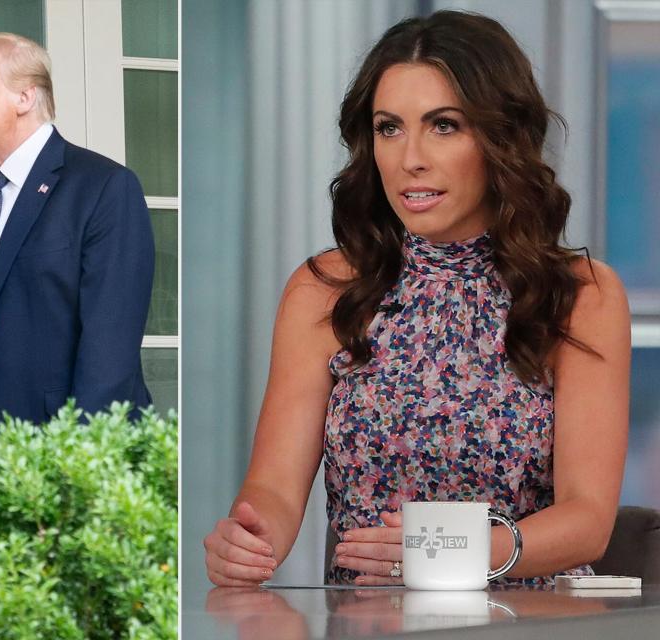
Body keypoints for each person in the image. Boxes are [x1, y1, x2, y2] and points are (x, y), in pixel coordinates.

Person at [204, 10, 630, 587]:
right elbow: (274, 489)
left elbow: (587, 521)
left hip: (526, 621)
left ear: (500, 136)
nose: (410, 159)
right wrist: (251, 540)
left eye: (444, 125)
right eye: (389, 128)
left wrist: (441, 551)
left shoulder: (581, 295)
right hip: (364, 622)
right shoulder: (323, 289)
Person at [0, 33, 154, 443]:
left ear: (25, 97)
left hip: (55, 457)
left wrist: (76, 463)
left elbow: (110, 352)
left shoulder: (103, 187)